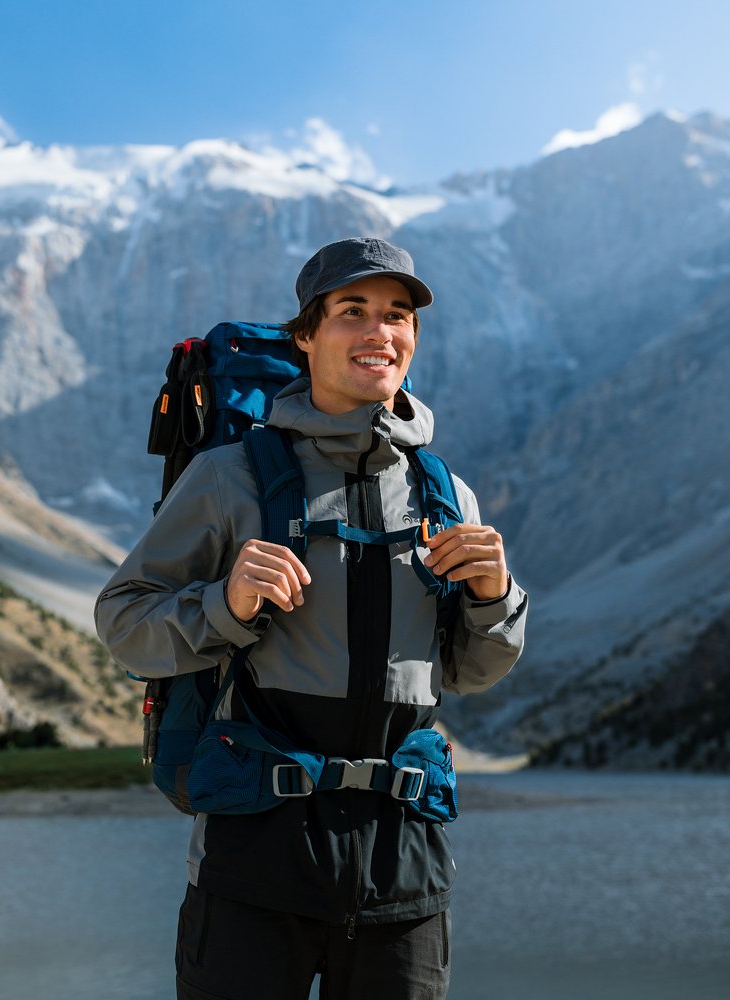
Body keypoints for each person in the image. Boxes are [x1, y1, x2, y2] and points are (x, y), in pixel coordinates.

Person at [95, 237, 528, 999]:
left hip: (405, 867)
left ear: (415, 339)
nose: (377, 332)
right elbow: (124, 620)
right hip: (256, 858)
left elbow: (469, 671)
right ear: (304, 336)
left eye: (397, 316)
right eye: (350, 312)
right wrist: (222, 605)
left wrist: (495, 601)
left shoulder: (445, 493)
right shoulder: (231, 476)